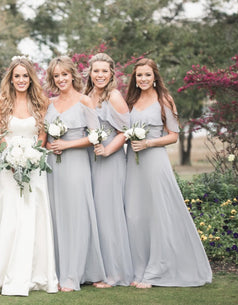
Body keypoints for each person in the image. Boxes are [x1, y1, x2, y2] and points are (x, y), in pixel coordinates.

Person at [124, 58, 212, 288]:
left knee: (156, 215)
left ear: (155, 77)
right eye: (139, 75)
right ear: (135, 78)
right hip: (132, 164)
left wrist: (149, 144)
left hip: (154, 160)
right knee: (134, 215)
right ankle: (139, 269)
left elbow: (173, 135)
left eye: (147, 75)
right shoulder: (131, 100)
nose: (143, 79)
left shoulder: (164, 100)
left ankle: (155, 272)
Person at [0, 56, 58, 296]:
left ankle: (36, 273)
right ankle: (3, 273)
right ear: (10, 79)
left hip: (35, 168)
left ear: (31, 78)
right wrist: (12, 158)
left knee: (34, 215)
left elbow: (42, 135)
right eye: (17, 76)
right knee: (11, 215)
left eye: (25, 76)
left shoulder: (41, 101)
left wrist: (32, 156)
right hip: (9, 168)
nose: (21, 80)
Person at [44, 56, 105, 291]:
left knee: (78, 215)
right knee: (58, 216)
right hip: (53, 166)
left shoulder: (84, 101)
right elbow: (44, 135)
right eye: (56, 76)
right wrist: (49, 146)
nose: (61, 79)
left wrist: (67, 145)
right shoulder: (48, 103)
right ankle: (59, 270)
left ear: (73, 75)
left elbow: (96, 136)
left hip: (77, 163)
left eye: (64, 74)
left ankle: (74, 274)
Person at [84, 53, 133, 287]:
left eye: (104, 71)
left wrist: (108, 150)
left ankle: (116, 274)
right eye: (96, 71)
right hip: (89, 160)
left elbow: (126, 131)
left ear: (112, 73)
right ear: (90, 73)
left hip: (109, 161)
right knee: (95, 215)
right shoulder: (87, 96)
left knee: (109, 215)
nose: (100, 75)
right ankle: (99, 269)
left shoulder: (113, 96)